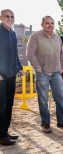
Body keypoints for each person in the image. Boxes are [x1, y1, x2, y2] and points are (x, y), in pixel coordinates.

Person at [26, 16, 63, 133]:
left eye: (52, 23)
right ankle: (45, 123)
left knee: (61, 97)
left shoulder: (57, 37)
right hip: (42, 73)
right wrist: (37, 68)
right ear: (42, 25)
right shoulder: (35, 36)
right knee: (43, 99)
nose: (50, 25)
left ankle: (62, 121)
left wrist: (61, 67)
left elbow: (62, 54)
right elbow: (30, 54)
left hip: (56, 73)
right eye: (47, 23)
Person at [0, 9, 25, 146]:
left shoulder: (14, 34)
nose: (10, 18)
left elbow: (15, 54)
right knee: (1, 106)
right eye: (7, 16)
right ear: (1, 17)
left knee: (9, 104)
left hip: (11, 74)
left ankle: (4, 131)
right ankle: (1, 135)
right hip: (1, 76)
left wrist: (19, 67)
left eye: (12, 16)